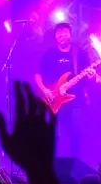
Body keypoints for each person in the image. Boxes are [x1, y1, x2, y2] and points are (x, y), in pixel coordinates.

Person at [34, 22, 95, 160]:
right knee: (52, 134)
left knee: (76, 133)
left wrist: (93, 77)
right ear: (55, 36)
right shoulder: (49, 54)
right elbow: (38, 75)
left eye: (65, 32)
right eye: (59, 33)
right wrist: (44, 90)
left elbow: (89, 80)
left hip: (74, 100)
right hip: (52, 100)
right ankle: (51, 166)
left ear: (70, 35)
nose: (62, 35)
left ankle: (76, 164)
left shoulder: (79, 54)